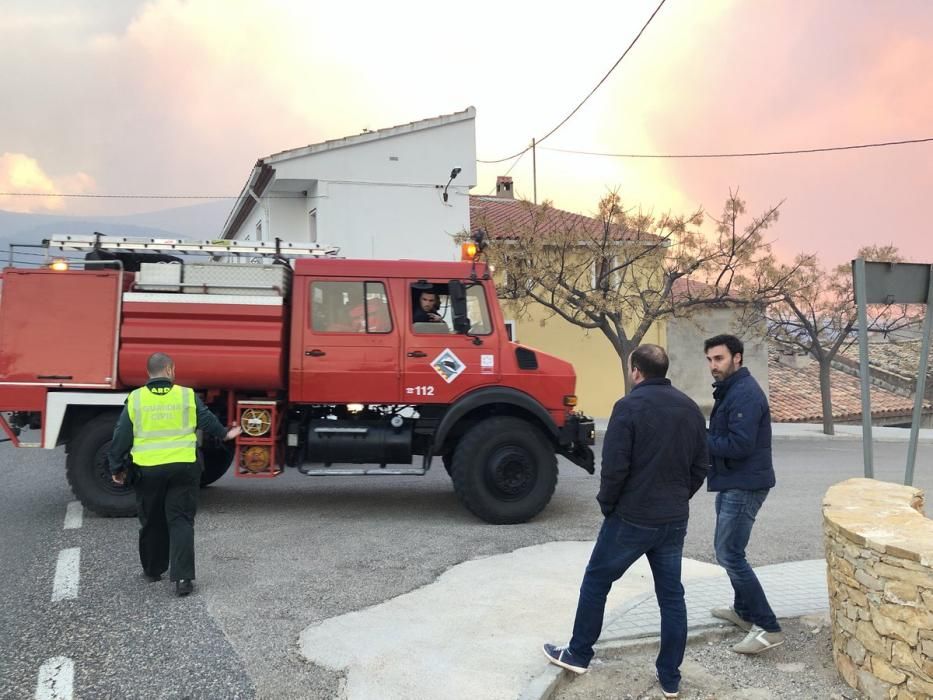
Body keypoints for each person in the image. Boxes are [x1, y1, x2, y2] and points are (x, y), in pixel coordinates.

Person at [544, 344, 708, 698]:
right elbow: (700, 466)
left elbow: (615, 467)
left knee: (597, 580)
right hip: (673, 518)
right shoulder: (691, 409)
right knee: (671, 596)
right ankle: (670, 678)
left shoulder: (628, 407)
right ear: (664, 371)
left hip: (632, 517)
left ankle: (579, 653)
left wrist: (608, 505)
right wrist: (680, 497)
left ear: (636, 371)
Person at [109, 352, 241, 597]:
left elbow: (121, 436)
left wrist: (116, 467)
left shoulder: (136, 399)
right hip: (183, 468)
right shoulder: (186, 396)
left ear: (149, 373)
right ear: (170, 370)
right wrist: (225, 434)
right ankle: (182, 579)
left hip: (147, 470)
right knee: (181, 520)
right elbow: (206, 420)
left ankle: (153, 569)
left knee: (151, 520)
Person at [704, 334, 784, 654]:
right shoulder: (731, 390)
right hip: (732, 481)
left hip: (745, 483)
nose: (713, 365)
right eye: (709, 359)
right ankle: (744, 612)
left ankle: (769, 627)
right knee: (730, 550)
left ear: (737, 357)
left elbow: (739, 445)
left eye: (719, 359)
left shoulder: (745, 394)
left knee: (729, 554)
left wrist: (701, 441)